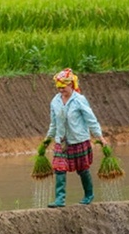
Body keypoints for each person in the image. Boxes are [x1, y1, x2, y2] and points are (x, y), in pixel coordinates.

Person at [45, 68, 106, 207]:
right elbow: (54, 123)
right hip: (62, 141)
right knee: (59, 169)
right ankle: (60, 199)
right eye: (59, 88)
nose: (61, 90)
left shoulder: (79, 100)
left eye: (63, 87)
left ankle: (89, 194)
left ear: (71, 84)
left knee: (82, 168)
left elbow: (91, 119)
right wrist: (48, 138)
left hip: (79, 140)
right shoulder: (55, 101)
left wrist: (99, 136)